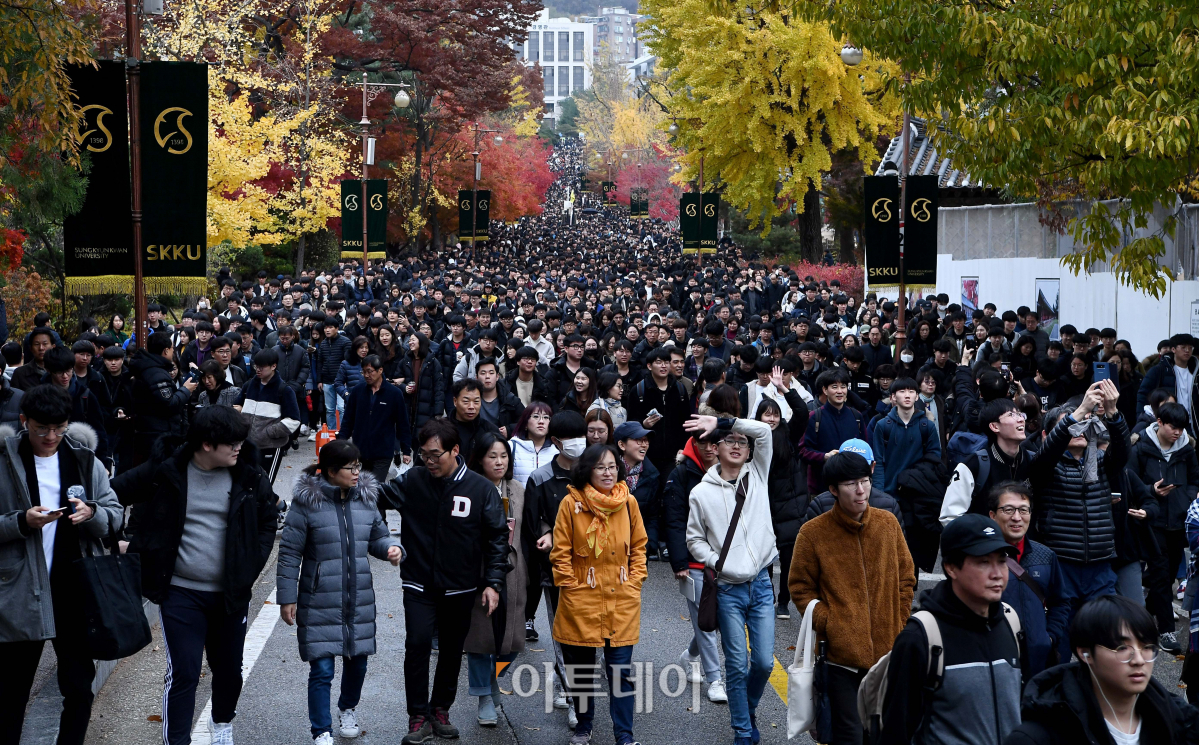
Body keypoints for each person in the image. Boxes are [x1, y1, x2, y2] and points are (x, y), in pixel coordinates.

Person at [116, 405, 278, 745]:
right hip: (180, 591)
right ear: (206, 444)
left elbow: (268, 519)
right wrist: (123, 542)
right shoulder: (168, 469)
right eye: (231, 443)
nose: (239, 448)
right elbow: (112, 494)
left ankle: (222, 725)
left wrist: (251, 563)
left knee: (229, 670)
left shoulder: (248, 474)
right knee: (185, 672)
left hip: (230, 593)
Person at [0, 385, 123, 745]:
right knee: (10, 694)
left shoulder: (84, 460)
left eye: (59, 428)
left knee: (79, 689)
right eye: (42, 428)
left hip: (75, 590)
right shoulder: (5, 461)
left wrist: (92, 513)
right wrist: (21, 521)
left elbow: (114, 513)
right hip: (20, 591)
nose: (51, 437)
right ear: (24, 421)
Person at [379, 418, 507, 744]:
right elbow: (377, 497)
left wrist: (492, 583)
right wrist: (340, 480)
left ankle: (440, 710)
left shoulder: (480, 489)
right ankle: (418, 716)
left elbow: (496, 539)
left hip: (461, 585)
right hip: (418, 581)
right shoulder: (414, 480)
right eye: (424, 454)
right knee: (418, 643)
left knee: (451, 650)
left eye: (436, 455)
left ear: (455, 451)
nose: (429, 461)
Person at [277, 440, 403, 745]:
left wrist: (391, 548)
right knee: (322, 669)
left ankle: (347, 708)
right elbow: (290, 553)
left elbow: (378, 537)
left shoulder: (366, 499)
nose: (357, 472)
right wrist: (287, 597)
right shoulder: (307, 503)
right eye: (351, 467)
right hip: (319, 599)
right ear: (331, 471)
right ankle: (321, 730)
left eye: (358, 465)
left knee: (358, 663)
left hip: (359, 599)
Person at [789, 451, 916, 745]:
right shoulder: (813, 533)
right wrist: (831, 623)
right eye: (851, 484)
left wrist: (899, 620)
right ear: (833, 489)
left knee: (883, 734)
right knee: (850, 737)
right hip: (840, 660)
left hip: (887, 656)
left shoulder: (887, 524)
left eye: (865, 481)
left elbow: (906, 578)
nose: (861, 490)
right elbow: (800, 588)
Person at [878, 514, 1023, 745]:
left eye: (1002, 561)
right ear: (951, 567)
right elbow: (896, 731)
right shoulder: (921, 637)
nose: (997, 573)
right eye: (984, 562)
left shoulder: (1011, 622)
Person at [685, 412, 776, 745]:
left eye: (741, 442)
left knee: (764, 663)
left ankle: (746, 709)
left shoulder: (758, 474)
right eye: (729, 441)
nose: (737, 445)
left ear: (749, 451)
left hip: (761, 584)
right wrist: (716, 562)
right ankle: (742, 730)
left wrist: (728, 423)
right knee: (737, 664)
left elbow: (764, 431)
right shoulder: (701, 493)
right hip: (726, 589)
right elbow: (694, 539)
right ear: (716, 448)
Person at [550, 443, 648, 745]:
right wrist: (571, 586)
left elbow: (639, 546)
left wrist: (635, 581)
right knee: (581, 671)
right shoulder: (571, 504)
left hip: (621, 597)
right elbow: (560, 553)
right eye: (600, 467)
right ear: (587, 471)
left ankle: (624, 736)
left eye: (612, 467)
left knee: (620, 671)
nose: (608, 473)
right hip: (582, 599)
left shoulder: (628, 502)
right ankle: (583, 725)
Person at [1005, 596, 1199, 745]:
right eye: (1122, 648)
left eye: (1147, 647)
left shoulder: (1179, 720)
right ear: (1085, 653)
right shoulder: (1040, 735)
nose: (1139, 660)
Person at [1028, 380, 1130, 657]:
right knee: (1060, 645)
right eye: (1072, 424)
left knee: (1104, 643)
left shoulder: (1098, 461)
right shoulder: (1046, 464)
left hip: (1100, 565)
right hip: (1062, 565)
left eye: (1084, 423)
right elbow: (1046, 455)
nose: (1079, 428)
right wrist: (1080, 410)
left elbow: (1123, 452)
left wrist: (1113, 413)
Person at [462, 433, 527, 728]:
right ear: (480, 459)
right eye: (492, 456)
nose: (499, 462)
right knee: (480, 638)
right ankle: (484, 697)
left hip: (514, 570)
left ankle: (491, 679)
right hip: (479, 568)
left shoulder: (518, 490)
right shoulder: (470, 488)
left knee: (513, 640)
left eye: (503, 456)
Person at [1129, 401, 1199, 653]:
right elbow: (1131, 481)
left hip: (1178, 520)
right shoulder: (1141, 447)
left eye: (1181, 428)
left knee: (1168, 573)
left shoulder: (1187, 450)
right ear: (1159, 422)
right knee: (1160, 572)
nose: (1177, 432)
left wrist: (1186, 499)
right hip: (1152, 519)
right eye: (1173, 427)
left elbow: (1194, 480)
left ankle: (1146, 611)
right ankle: (1166, 630)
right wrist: (1151, 491)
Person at [988, 481, 1070, 680]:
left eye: (1023, 510)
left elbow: (1060, 602)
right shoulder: (982, 557)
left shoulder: (1046, 555)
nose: (1017, 517)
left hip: (1038, 660)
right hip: (995, 659)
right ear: (992, 515)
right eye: (1008, 510)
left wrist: (1049, 637)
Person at [335, 354, 413, 484]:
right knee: (359, 487)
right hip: (360, 451)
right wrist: (340, 444)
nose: (366, 375)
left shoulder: (394, 394)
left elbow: (402, 424)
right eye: (363, 372)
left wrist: (406, 450)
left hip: (383, 452)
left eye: (370, 371)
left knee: (374, 487)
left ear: (380, 370)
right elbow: (348, 420)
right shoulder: (357, 391)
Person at [128, 332, 197, 465]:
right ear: (166, 351)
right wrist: (186, 390)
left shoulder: (149, 368)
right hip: (158, 433)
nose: (173, 351)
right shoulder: (156, 373)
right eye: (172, 349)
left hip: (149, 430)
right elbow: (169, 404)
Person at [239, 347, 303, 484]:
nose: (258, 370)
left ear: (273, 366)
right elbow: (236, 406)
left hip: (271, 446)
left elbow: (294, 420)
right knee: (247, 483)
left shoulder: (284, 390)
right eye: (256, 366)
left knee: (265, 485)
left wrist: (270, 432)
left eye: (262, 367)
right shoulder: (249, 385)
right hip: (248, 445)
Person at [799, 368, 865, 494]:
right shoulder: (814, 417)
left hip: (852, 486)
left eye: (843, 387)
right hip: (822, 487)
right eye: (834, 387)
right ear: (825, 390)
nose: (840, 391)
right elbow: (803, 451)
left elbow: (865, 448)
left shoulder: (856, 416)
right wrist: (824, 456)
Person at [614, 421, 662, 559]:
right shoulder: (608, 472)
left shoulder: (651, 474)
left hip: (638, 549)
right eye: (638, 440)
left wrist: (650, 544)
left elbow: (653, 515)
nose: (644, 445)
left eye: (646, 441)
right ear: (622, 445)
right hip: (608, 546)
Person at [1139, 333, 1197, 432]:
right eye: (1183, 347)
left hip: (1192, 425)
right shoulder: (1160, 370)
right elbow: (1143, 394)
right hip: (1168, 423)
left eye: (1190, 348)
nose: (1187, 350)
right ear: (1173, 349)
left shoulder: (1195, 372)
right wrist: (1141, 419)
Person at [449, 378, 501, 463]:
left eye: (476, 401)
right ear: (455, 401)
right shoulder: (443, 429)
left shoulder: (490, 430)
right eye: (466, 401)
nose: (471, 407)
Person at [510, 402, 557, 488]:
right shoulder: (512, 446)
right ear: (525, 423)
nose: (541, 421)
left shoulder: (557, 450)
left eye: (546, 417)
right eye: (536, 416)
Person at [11, 326, 55, 391]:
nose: (41, 348)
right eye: (37, 344)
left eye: (45, 344)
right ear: (31, 348)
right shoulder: (20, 374)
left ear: (53, 347)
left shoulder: (61, 371)